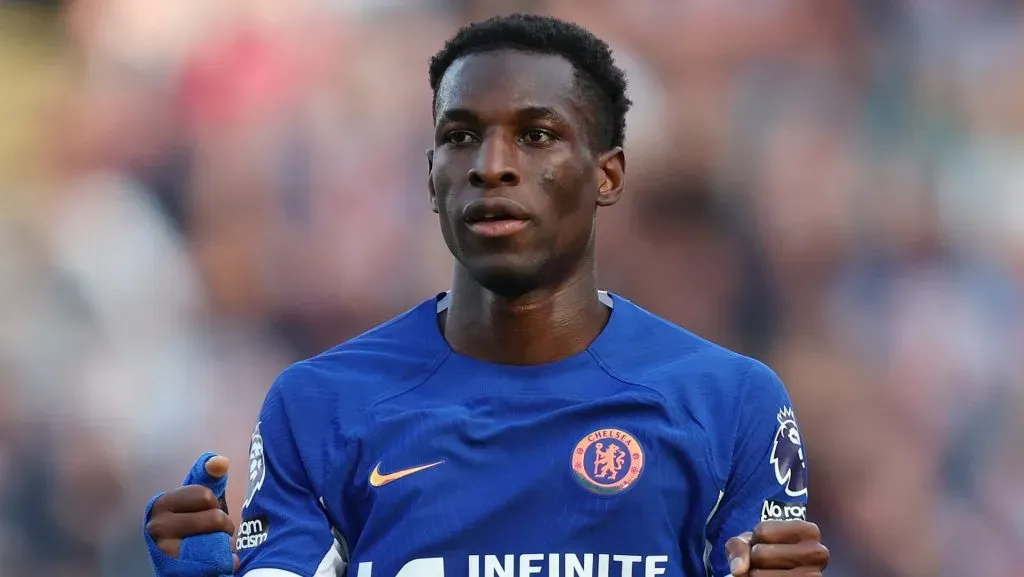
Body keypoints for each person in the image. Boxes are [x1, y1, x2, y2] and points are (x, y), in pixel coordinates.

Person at [143, 14, 829, 577]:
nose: (492, 166)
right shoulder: (319, 406)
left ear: (608, 175)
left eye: (536, 136)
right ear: (431, 176)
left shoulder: (730, 402)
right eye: (460, 136)